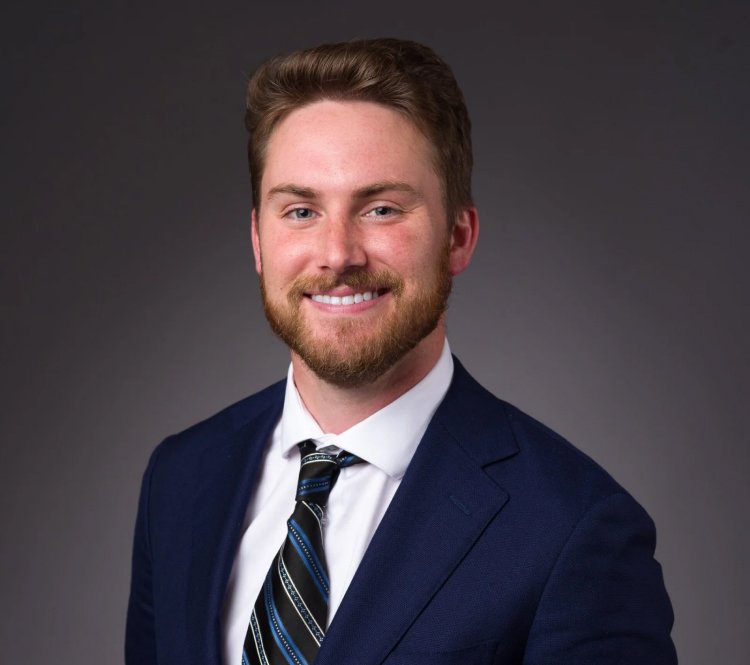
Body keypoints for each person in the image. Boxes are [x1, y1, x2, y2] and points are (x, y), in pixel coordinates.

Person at [125, 38, 677, 665]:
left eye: (382, 208)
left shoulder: (576, 531)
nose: (338, 254)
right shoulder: (181, 478)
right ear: (258, 239)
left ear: (458, 238)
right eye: (301, 210)